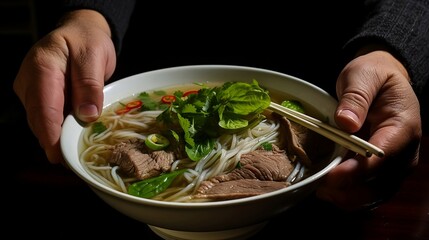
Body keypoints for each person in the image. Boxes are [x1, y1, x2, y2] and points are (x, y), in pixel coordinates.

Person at [13, 0, 428, 211]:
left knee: (277, 161)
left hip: (328, 79)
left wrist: (387, 51)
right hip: (132, 62)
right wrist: (89, 15)